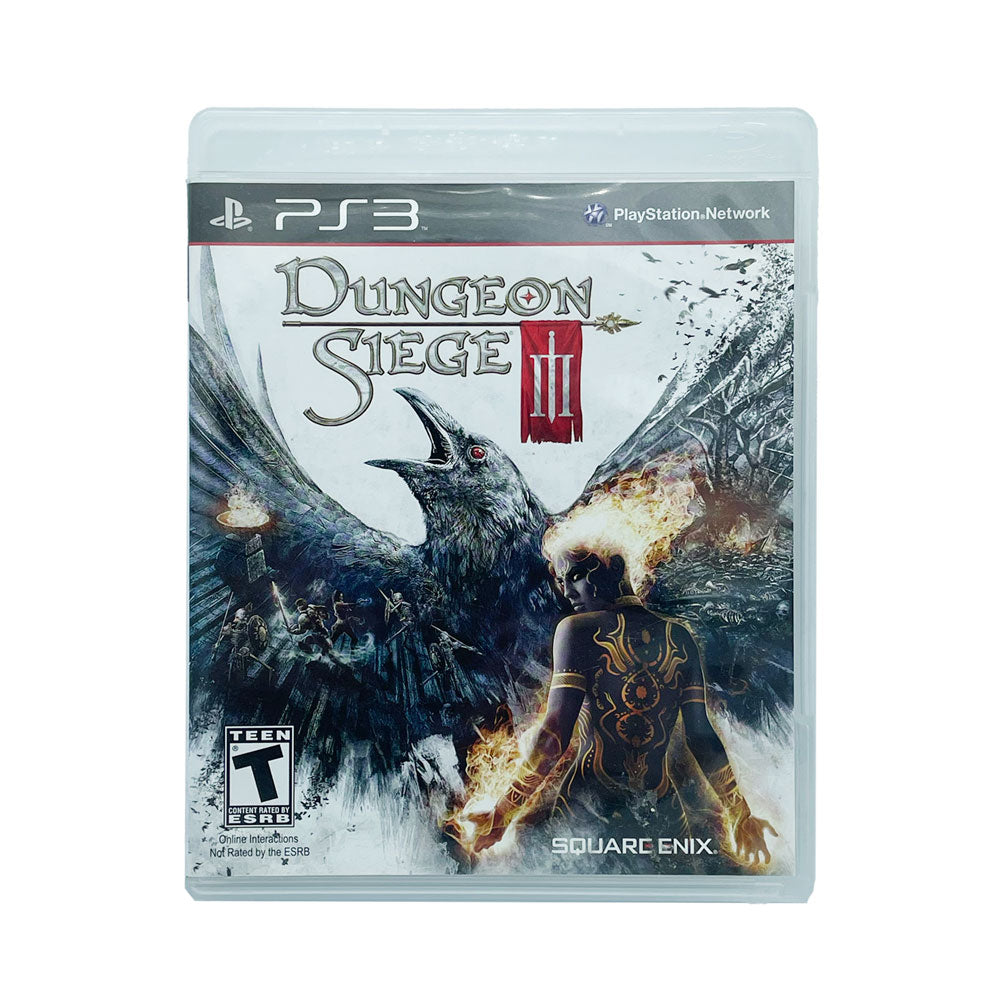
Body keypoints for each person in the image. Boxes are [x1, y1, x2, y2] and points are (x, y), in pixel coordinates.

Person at [469, 542, 776, 865]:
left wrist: (504, 811)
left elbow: (555, 731)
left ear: (614, 568)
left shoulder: (576, 630)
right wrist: (740, 814)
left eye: (576, 575)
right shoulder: (679, 637)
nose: (568, 592)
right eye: (562, 582)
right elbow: (701, 737)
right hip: (663, 818)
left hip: (588, 816)